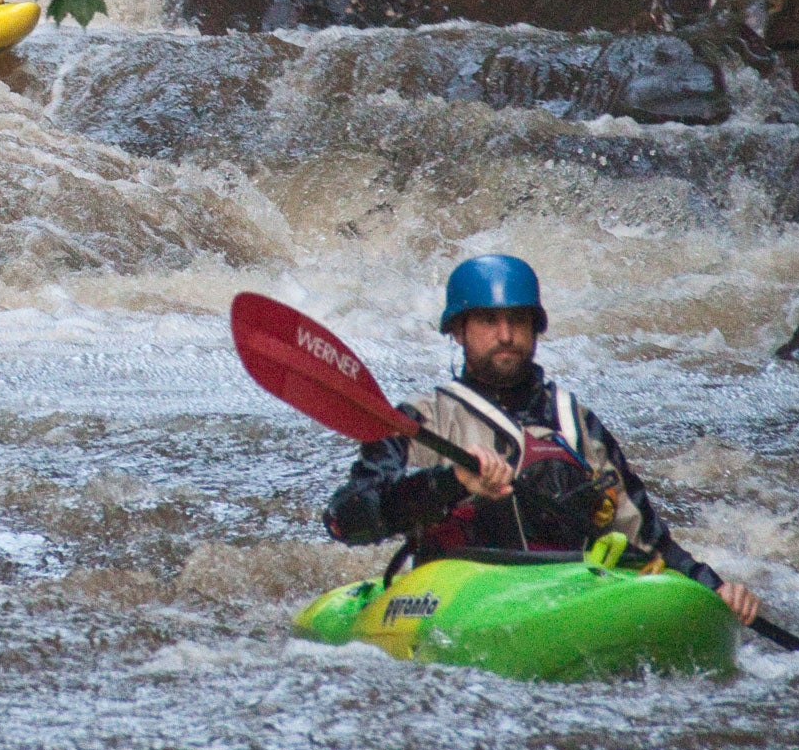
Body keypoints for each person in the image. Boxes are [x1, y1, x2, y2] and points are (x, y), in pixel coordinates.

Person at [320, 255, 762, 626]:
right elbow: (347, 517)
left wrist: (713, 588)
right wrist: (451, 482)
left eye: (517, 320)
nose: (506, 335)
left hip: (565, 594)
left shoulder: (576, 424)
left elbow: (645, 538)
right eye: (489, 321)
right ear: (458, 331)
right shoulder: (420, 420)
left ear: (535, 328)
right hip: (461, 600)